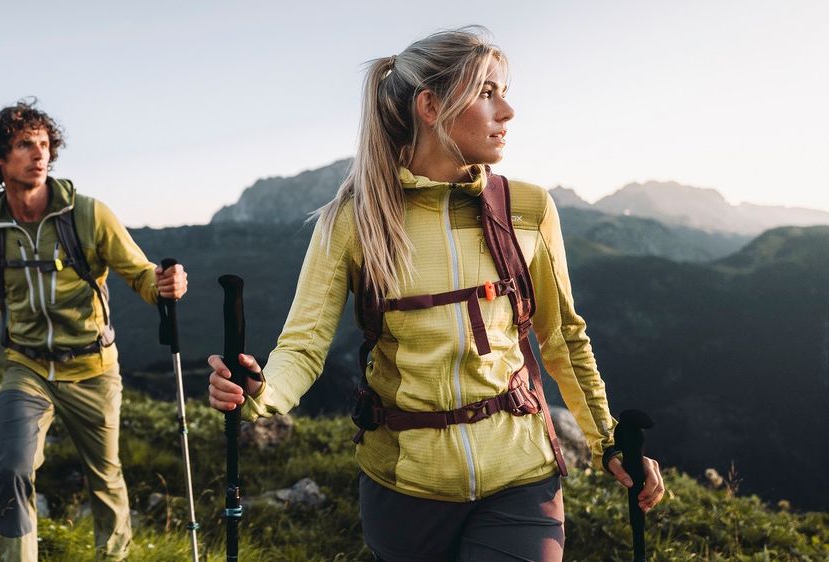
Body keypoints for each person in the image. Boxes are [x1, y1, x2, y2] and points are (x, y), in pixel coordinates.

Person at [206, 27, 665, 561]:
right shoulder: (354, 221)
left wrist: (609, 441)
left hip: (520, 477)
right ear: (431, 106)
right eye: (487, 92)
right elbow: (303, 348)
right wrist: (259, 392)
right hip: (402, 488)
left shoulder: (529, 209)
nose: (508, 110)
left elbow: (562, 338)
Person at [0, 100, 187, 562]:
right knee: (11, 469)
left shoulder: (89, 215)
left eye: (45, 144)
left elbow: (141, 275)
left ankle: (113, 557)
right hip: (26, 368)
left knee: (105, 478)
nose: (39, 154)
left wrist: (164, 285)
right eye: (25, 144)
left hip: (93, 369)